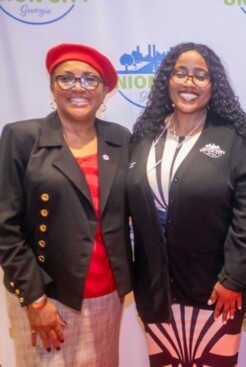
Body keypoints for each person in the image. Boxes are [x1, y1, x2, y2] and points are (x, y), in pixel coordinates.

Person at [128, 42, 246, 366]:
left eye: (200, 76)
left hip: (218, 291)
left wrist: (233, 278)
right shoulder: (145, 135)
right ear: (167, 79)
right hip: (156, 290)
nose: (189, 83)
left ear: (213, 85)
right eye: (181, 73)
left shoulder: (236, 137)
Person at [0, 43, 132, 366]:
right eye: (67, 78)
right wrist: (34, 299)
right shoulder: (21, 137)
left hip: (106, 297)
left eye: (89, 80)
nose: (78, 88)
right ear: (52, 86)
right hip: (46, 296)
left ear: (104, 93)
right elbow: (6, 227)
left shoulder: (121, 139)